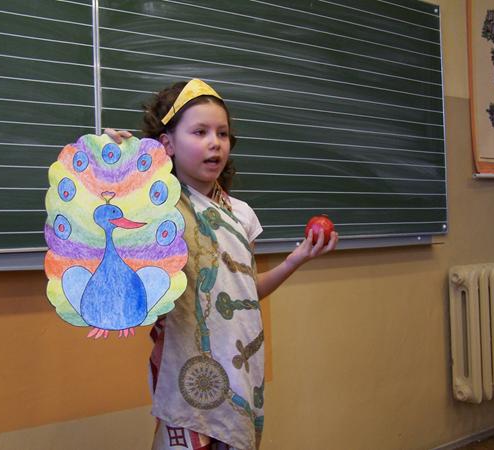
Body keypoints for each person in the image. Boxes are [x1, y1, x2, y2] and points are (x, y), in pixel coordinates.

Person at [105, 79, 338, 450]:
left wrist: (297, 259)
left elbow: (246, 292)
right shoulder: (157, 209)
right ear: (167, 144)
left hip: (240, 365)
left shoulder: (241, 215)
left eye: (222, 133)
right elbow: (116, 233)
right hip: (187, 372)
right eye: (200, 132)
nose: (215, 142)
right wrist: (119, 171)